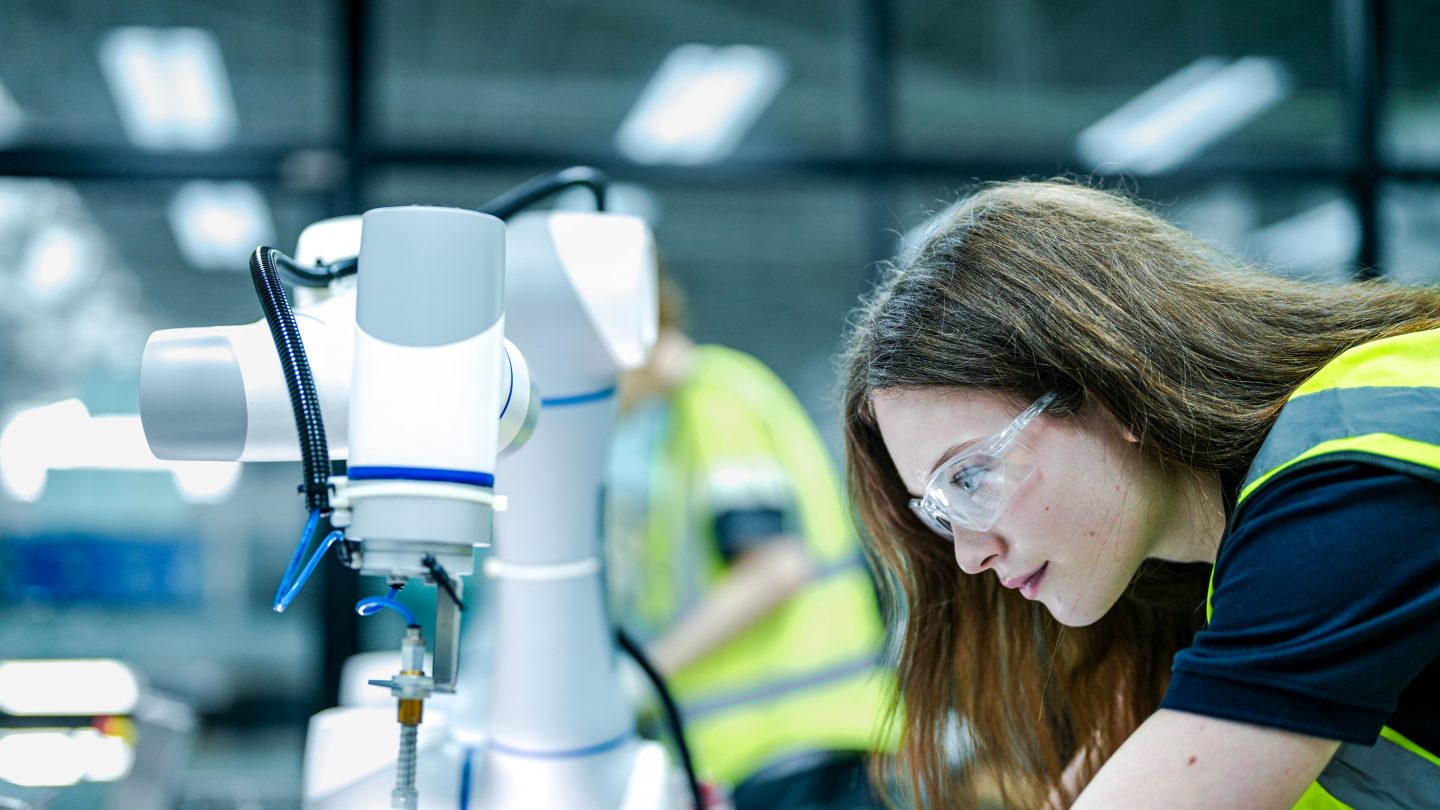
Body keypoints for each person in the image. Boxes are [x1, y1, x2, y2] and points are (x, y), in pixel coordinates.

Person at [840, 179, 1440, 809]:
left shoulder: (1348, 475)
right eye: (939, 509)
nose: (968, 555)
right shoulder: (1204, 589)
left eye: (968, 477)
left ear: (1109, 387)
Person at [606, 275, 896, 809]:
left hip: (798, 748)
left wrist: (639, 679)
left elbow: (775, 568)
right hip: (788, 751)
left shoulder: (712, 402)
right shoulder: (680, 422)